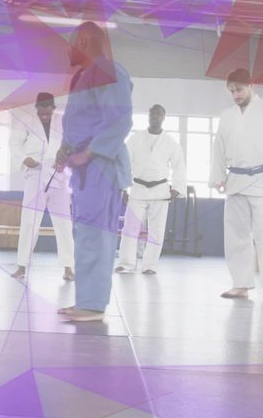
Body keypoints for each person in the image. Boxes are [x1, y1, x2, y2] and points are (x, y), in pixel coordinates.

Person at [54, 21, 133, 323]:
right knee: (85, 232)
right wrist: (65, 148)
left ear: (85, 42)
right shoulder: (82, 78)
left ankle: (94, 305)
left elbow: (120, 120)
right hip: (85, 168)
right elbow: (78, 122)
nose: (68, 50)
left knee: (96, 233)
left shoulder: (108, 71)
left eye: (72, 42)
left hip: (100, 167)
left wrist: (88, 152)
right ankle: (87, 300)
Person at [211, 68, 263, 300]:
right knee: (236, 235)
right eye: (232, 91)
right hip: (235, 180)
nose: (236, 94)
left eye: (239, 89)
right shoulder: (227, 115)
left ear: (251, 85)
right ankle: (241, 284)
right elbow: (218, 146)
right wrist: (218, 176)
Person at [11, 92, 75, 282]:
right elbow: (14, 144)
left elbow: (72, 144)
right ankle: (22, 266)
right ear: (37, 108)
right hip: (36, 173)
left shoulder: (63, 121)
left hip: (59, 175)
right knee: (30, 221)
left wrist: (66, 159)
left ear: (54, 108)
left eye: (48, 112)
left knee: (64, 223)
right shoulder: (26, 120)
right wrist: (24, 158)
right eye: (42, 112)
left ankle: (68, 267)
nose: (45, 116)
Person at [116, 104, 186, 275]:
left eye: (158, 114)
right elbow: (124, 162)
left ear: (163, 117)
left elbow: (179, 165)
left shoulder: (170, 142)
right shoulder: (135, 139)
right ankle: (126, 263)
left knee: (157, 230)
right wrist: (123, 187)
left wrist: (177, 188)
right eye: (152, 114)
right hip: (138, 188)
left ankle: (149, 265)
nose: (155, 117)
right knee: (130, 228)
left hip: (160, 191)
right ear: (148, 116)